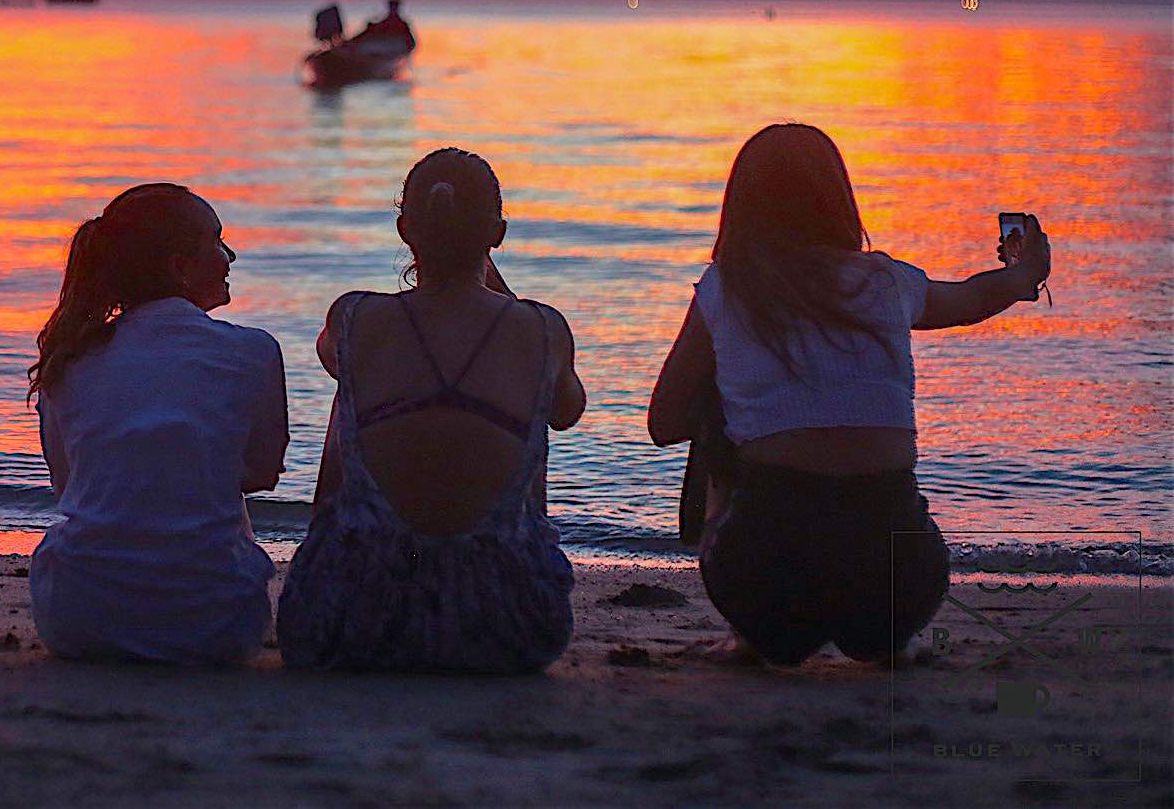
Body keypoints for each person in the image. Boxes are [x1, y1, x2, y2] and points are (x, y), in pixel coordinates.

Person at [646, 123, 1053, 666]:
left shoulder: (727, 287)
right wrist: (1025, 273)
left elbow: (663, 421)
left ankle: (749, 640)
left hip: (766, 585)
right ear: (840, 201)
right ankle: (891, 647)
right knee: (876, 506)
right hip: (898, 583)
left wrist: (733, 391)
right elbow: (970, 298)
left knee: (718, 408)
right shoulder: (884, 282)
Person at [277, 148, 585, 673]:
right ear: (499, 234)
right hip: (508, 625)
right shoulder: (543, 329)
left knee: (353, 383)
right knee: (533, 384)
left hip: (348, 621)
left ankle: (344, 547)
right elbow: (566, 411)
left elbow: (332, 360)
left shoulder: (354, 317)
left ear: (404, 229)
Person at [28, 184, 288, 665]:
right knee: (216, 484)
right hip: (215, 624)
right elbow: (259, 474)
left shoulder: (70, 358)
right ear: (179, 267)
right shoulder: (253, 351)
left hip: (77, 619)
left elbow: (69, 488)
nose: (230, 255)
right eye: (217, 240)